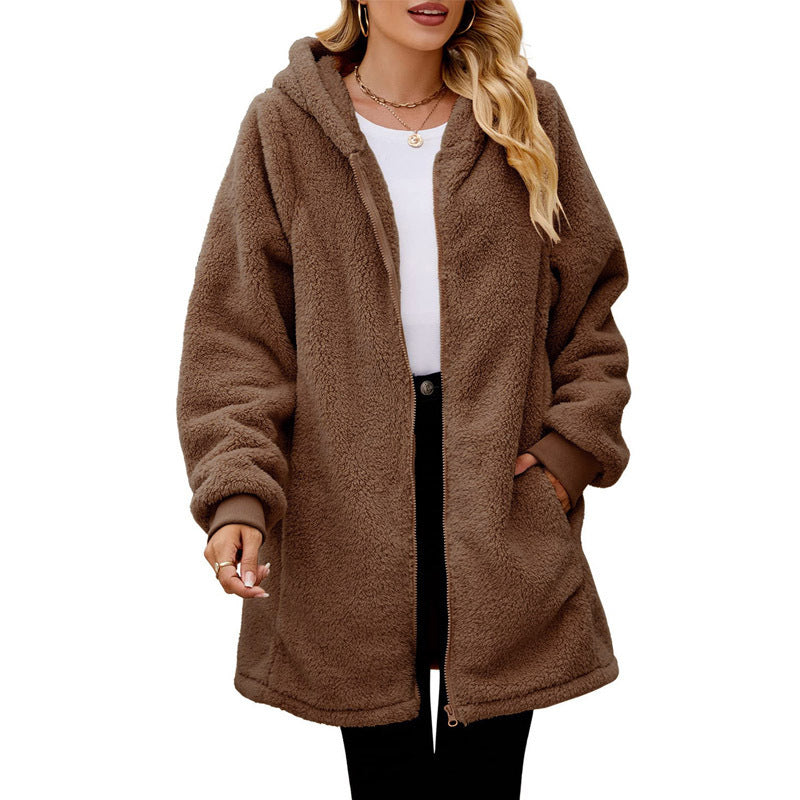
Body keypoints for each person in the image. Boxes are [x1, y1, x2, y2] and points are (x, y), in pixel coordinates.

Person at [176, 1, 631, 797]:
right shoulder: (284, 127)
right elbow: (238, 336)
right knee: (387, 786)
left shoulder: (524, 113)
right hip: (343, 503)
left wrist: (565, 459)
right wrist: (237, 496)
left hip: (501, 488)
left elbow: (589, 309)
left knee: (484, 784)